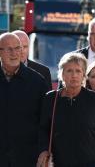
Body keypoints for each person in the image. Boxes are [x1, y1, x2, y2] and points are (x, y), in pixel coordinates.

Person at [37, 52, 95, 167]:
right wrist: (43, 150)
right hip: (59, 163)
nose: (74, 75)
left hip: (91, 163)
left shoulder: (94, 99)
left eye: (78, 71)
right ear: (62, 75)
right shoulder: (51, 99)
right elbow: (43, 130)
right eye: (69, 71)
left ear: (84, 75)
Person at [0, 32, 49, 166]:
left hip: (27, 157)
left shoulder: (37, 82)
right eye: (9, 49)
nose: (14, 53)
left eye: (17, 48)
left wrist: (44, 150)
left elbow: (46, 121)